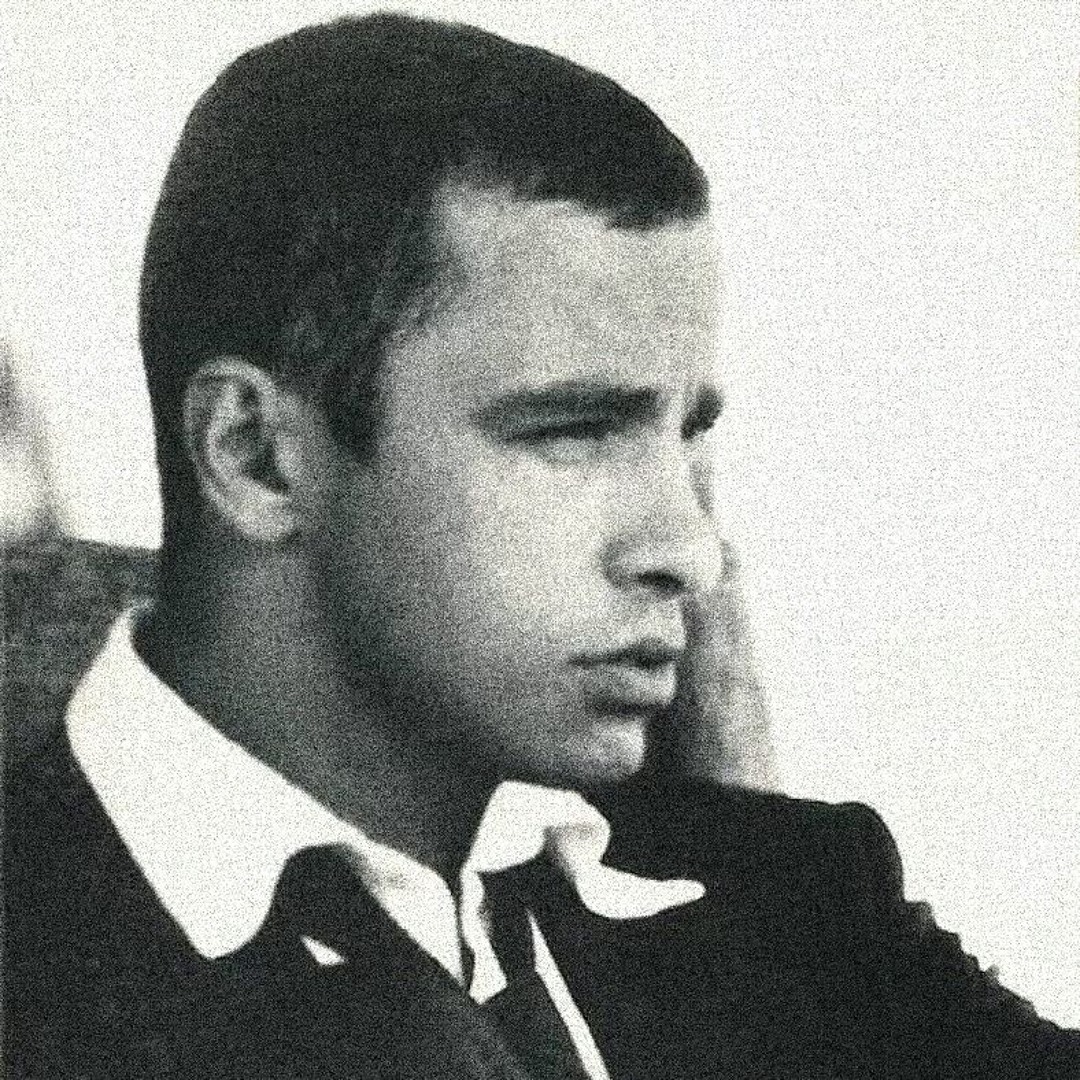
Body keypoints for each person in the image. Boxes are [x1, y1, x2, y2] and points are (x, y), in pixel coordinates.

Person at [4, 13, 1077, 1079]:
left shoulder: (800, 904)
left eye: (686, 435)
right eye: (572, 431)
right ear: (255, 457)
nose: (689, 552)